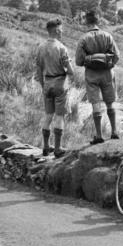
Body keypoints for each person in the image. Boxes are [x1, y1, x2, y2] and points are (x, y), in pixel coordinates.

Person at [74, 10, 121, 143]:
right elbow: (117, 56)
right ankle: (114, 132)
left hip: (91, 75)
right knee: (110, 103)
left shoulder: (83, 39)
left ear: (86, 21)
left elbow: (78, 61)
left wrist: (89, 61)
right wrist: (109, 65)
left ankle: (99, 136)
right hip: (107, 74)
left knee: (96, 104)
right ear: (98, 20)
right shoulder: (107, 36)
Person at [35, 18, 75, 158]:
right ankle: (57, 149)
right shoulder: (61, 48)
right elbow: (70, 71)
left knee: (48, 116)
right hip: (59, 84)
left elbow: (39, 70)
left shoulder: (40, 47)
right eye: (61, 29)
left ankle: (46, 147)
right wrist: (69, 70)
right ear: (56, 31)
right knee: (59, 117)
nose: (62, 32)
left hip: (46, 84)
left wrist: (42, 85)